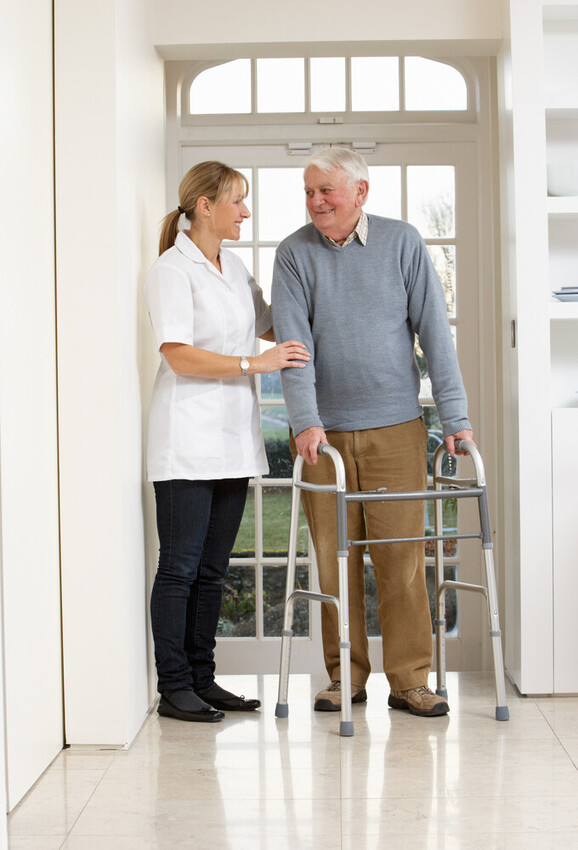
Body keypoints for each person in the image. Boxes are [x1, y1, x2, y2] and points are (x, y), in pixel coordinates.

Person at [271, 147, 473, 718]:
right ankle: (345, 678)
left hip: (396, 429)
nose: (316, 202)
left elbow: (435, 332)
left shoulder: (403, 242)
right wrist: (306, 420)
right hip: (323, 436)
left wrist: (454, 417)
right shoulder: (293, 254)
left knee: (401, 561)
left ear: (361, 192)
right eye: (309, 192)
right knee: (332, 561)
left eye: (326, 191)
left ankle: (410, 678)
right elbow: (292, 347)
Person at [144, 161, 309, 722]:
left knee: (214, 569)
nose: (246, 211)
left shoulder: (234, 266)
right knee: (180, 567)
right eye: (237, 200)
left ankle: (203, 679)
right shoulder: (172, 269)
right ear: (204, 206)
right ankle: (174, 687)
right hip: (186, 440)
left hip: (233, 440)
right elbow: (177, 352)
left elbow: (272, 323)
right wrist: (252, 363)